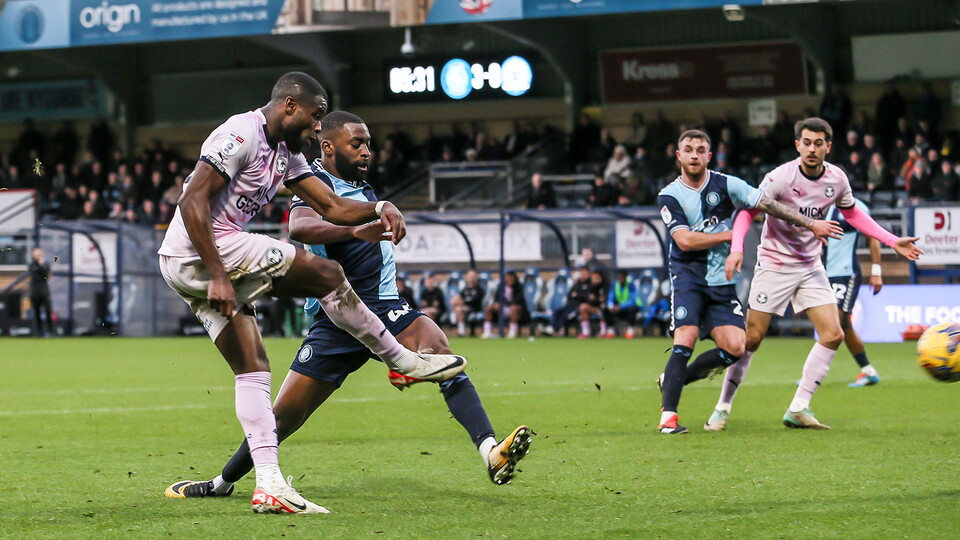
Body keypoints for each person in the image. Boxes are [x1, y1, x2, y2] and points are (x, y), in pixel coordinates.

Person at [163, 111, 531, 507]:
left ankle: (490, 452)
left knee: (441, 354)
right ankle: (222, 482)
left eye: (368, 143)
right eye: (356, 143)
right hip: (336, 320)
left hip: (385, 307)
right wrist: (353, 229)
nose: (366, 151)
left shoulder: (363, 189)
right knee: (283, 417)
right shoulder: (316, 180)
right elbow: (300, 227)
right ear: (328, 146)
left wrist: (378, 207)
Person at [709, 118, 922, 431]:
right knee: (751, 339)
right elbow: (747, 212)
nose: (812, 149)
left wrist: (892, 241)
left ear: (828, 147)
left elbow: (853, 213)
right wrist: (737, 247)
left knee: (833, 333)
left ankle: (799, 407)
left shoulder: (837, 178)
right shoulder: (780, 177)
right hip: (774, 263)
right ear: (797, 145)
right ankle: (723, 406)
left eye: (818, 143)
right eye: (806, 142)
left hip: (810, 266)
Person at [655, 129, 843, 434]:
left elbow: (767, 204)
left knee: (735, 347)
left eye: (700, 150)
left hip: (721, 281)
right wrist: (730, 236)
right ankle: (668, 419)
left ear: (709, 156)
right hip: (688, 278)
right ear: (679, 156)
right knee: (685, 338)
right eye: (688, 150)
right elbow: (685, 240)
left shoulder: (727, 184)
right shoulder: (669, 194)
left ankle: (675, 379)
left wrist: (810, 223)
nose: (694, 155)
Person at [822, 199, 884, 387]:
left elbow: (873, 237)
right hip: (823, 274)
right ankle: (868, 371)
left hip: (845, 273)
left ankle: (814, 374)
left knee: (835, 322)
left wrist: (876, 272)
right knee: (844, 324)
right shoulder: (820, 205)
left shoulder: (856, 206)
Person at [482, 270, 527, 339]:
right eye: (508, 278)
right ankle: (487, 332)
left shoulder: (519, 286)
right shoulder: (500, 286)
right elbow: (497, 299)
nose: (509, 280)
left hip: (516, 310)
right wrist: (497, 304)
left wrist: (505, 304)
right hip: (502, 309)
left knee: (514, 308)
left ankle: (512, 332)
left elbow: (518, 300)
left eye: (511, 278)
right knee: (489, 308)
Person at [606, 270, 641, 338]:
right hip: (617, 307)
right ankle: (611, 330)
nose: (620, 279)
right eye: (619, 277)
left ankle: (630, 330)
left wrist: (621, 306)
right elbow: (611, 297)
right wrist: (611, 306)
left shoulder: (630, 285)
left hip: (627, 307)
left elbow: (633, 300)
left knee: (633, 309)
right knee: (605, 309)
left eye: (622, 277)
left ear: (625, 277)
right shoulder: (614, 285)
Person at [451, 269, 485, 336]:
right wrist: (456, 301)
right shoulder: (465, 289)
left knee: (460, 309)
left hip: (475, 309)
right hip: (465, 309)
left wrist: (465, 305)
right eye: (470, 276)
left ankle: (454, 318)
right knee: (458, 308)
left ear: (476, 277)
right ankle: (461, 332)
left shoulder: (479, 289)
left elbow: (476, 302)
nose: (471, 278)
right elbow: (461, 298)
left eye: (473, 276)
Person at [28, 247, 54, 337]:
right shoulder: (32, 265)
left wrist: (41, 266)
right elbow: (35, 276)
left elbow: (46, 275)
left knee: (48, 311)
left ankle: (51, 331)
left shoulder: (45, 264)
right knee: (37, 313)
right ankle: (39, 332)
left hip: (44, 292)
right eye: (37, 254)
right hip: (35, 293)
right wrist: (40, 267)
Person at [578, 269, 609, 338]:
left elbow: (604, 299)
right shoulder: (591, 286)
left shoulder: (606, 285)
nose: (594, 279)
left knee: (603, 308)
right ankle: (586, 332)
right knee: (583, 308)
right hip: (595, 308)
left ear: (600, 277)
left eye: (596, 278)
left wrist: (596, 299)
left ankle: (604, 332)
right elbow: (589, 299)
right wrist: (597, 299)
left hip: (605, 308)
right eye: (593, 278)